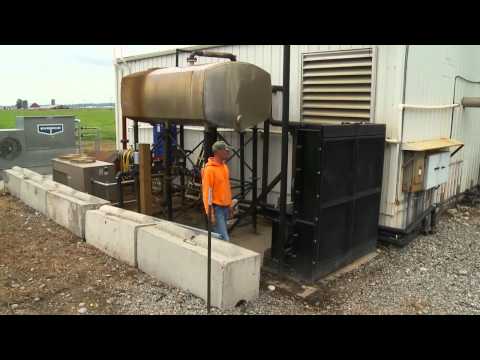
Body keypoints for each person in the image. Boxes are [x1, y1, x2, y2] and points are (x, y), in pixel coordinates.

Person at [201, 141, 234, 241]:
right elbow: (206, 193)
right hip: (217, 209)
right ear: (218, 152)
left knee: (219, 238)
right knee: (224, 239)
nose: (228, 152)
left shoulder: (224, 167)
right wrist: (210, 213)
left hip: (225, 208)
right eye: (226, 150)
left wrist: (230, 204)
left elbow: (226, 188)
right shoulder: (210, 170)